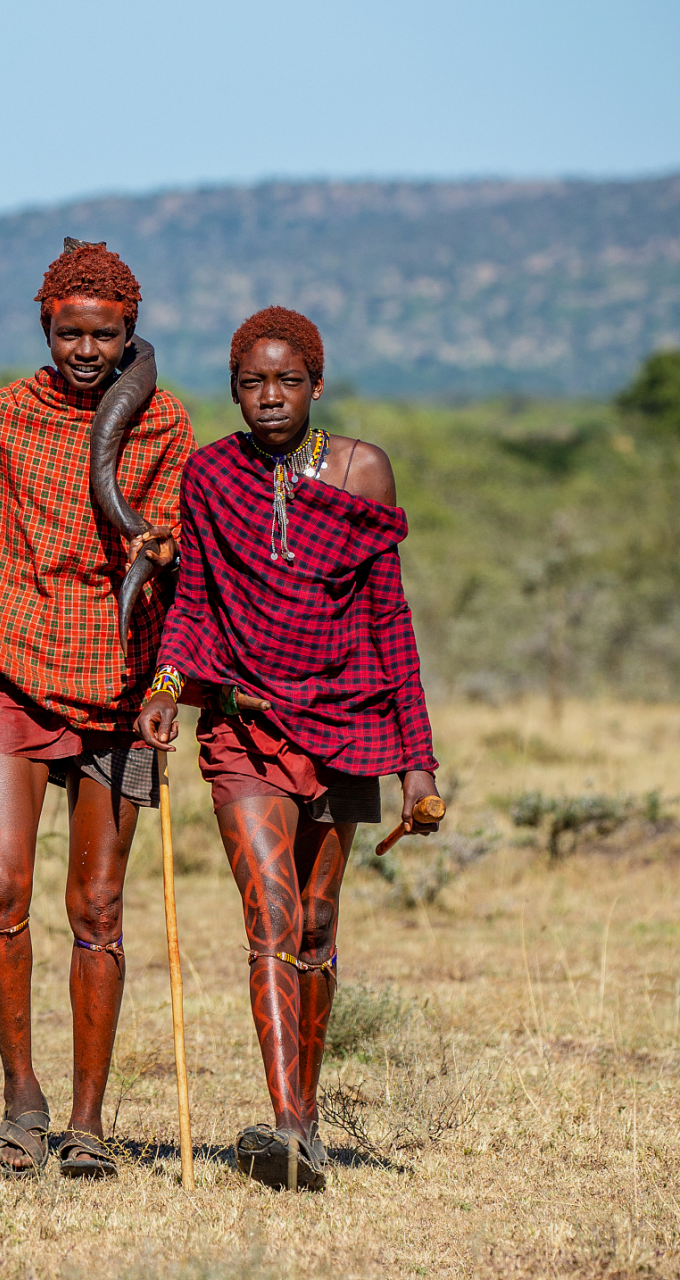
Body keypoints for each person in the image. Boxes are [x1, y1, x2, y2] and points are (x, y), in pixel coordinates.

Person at [0, 242, 194, 1177]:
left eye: (105, 335)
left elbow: (185, 553)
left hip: (122, 673)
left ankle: (89, 1121)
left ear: (129, 334)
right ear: (44, 329)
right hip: (10, 671)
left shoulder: (165, 425)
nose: (86, 351)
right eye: (70, 332)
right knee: (1, 889)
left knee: (98, 903)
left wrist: (166, 683)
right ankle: (22, 1100)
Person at [136, 306, 440, 1192]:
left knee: (315, 922)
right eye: (251, 383)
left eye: (286, 381)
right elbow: (194, 602)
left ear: (316, 383)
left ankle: (302, 1111)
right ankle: (286, 1126)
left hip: (349, 723)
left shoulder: (360, 469)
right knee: (267, 912)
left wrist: (417, 759)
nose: (269, 398)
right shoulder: (210, 474)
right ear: (233, 390)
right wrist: (165, 689)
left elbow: (389, 616)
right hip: (244, 725)